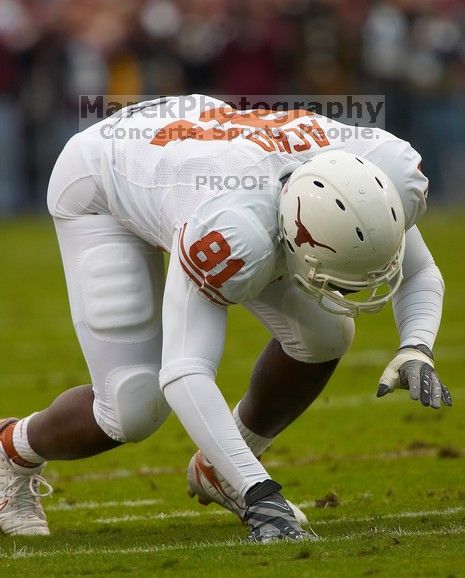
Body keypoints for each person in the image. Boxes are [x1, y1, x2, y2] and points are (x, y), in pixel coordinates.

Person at [0, 95, 451, 541]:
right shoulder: (234, 229)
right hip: (103, 177)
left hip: (209, 156)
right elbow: (185, 371)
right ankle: (10, 451)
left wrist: (417, 345)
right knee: (132, 405)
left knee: (326, 333)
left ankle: (222, 470)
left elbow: (419, 269)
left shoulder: (365, 173)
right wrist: (260, 494)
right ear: (299, 234)